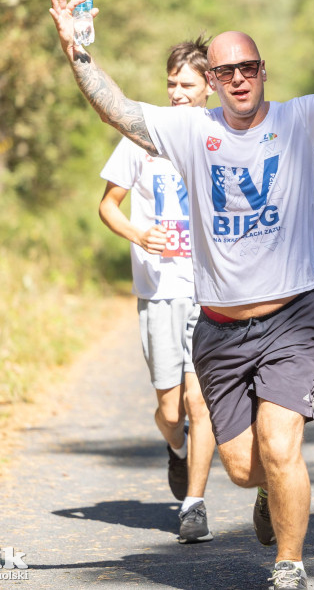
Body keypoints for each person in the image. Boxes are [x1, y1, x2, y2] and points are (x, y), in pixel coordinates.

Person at [49, 0, 314, 589]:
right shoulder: (190, 130)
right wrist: (75, 49)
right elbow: (116, 110)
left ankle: (290, 565)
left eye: (250, 68)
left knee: (281, 448)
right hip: (218, 328)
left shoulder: (301, 120)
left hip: (291, 318)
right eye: (227, 72)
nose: (240, 79)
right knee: (247, 468)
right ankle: (264, 494)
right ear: (214, 81)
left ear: (262, 70)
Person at [97, 36, 218, 544]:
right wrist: (138, 233)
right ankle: (176, 448)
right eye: (171, 83)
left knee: (200, 400)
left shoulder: (221, 134)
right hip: (158, 287)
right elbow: (108, 206)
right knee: (171, 411)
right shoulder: (140, 138)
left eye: (186, 84)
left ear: (209, 86)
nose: (176, 93)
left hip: (209, 288)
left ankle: (194, 505)